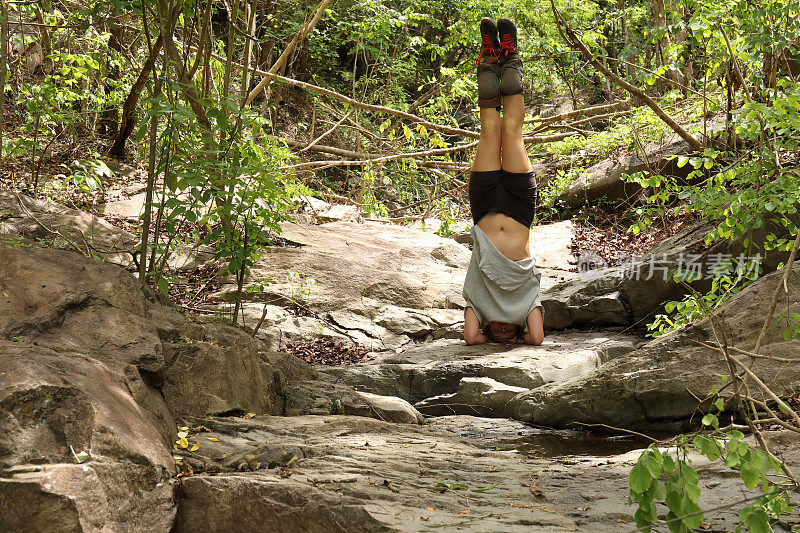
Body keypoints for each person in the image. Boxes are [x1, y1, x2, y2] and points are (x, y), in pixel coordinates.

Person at [462, 17, 545, 346]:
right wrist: (523, 332)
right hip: (520, 209)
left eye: (496, 332)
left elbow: (470, 338)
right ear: (517, 330)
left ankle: (489, 60)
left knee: (490, 132)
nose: (501, 329)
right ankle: (509, 60)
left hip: (483, 211)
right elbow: (537, 339)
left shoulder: (479, 306)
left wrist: (483, 332)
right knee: (511, 133)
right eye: (507, 331)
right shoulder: (527, 307)